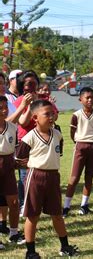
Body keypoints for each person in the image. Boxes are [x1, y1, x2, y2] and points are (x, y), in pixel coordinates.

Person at [15, 100, 79, 258]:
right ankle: (30, 252)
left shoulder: (57, 134)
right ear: (35, 118)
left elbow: (57, 154)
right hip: (35, 177)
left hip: (53, 177)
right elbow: (18, 159)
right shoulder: (29, 137)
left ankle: (65, 246)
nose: (52, 116)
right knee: (33, 216)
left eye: (53, 113)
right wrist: (30, 167)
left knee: (57, 214)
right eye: (47, 114)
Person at [62, 87, 93, 217]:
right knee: (74, 177)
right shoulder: (76, 115)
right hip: (80, 146)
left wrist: (92, 142)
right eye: (87, 97)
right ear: (80, 99)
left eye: (92, 97)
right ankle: (66, 206)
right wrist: (79, 142)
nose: (90, 100)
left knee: (89, 176)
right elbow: (72, 133)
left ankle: (84, 205)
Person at [14, 71, 40, 214]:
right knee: (24, 175)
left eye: (34, 83)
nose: (31, 86)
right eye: (28, 83)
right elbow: (23, 123)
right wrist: (31, 105)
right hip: (24, 142)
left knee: (37, 173)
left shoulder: (41, 99)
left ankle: (35, 202)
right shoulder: (20, 101)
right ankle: (23, 204)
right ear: (23, 86)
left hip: (40, 141)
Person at [0, 96, 24, 245]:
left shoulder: (13, 128)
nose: (4, 111)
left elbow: (15, 150)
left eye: (5, 107)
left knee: (14, 202)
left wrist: (18, 162)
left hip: (8, 165)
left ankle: (14, 233)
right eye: (0, 108)